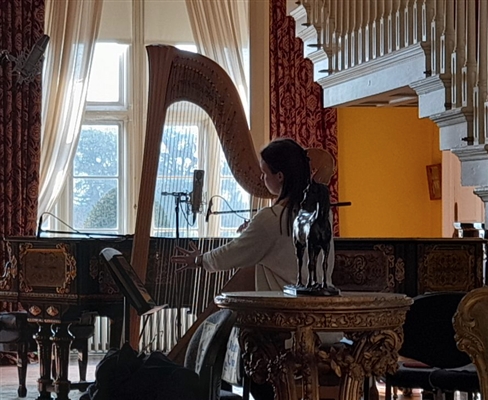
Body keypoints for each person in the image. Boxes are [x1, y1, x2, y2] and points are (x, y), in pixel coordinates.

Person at [171, 137, 312, 291]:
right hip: (314, 307)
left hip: (282, 309)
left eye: (264, 173)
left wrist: (200, 260)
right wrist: (254, 232)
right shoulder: (320, 214)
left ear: (279, 176)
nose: (261, 178)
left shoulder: (271, 219)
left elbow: (233, 253)